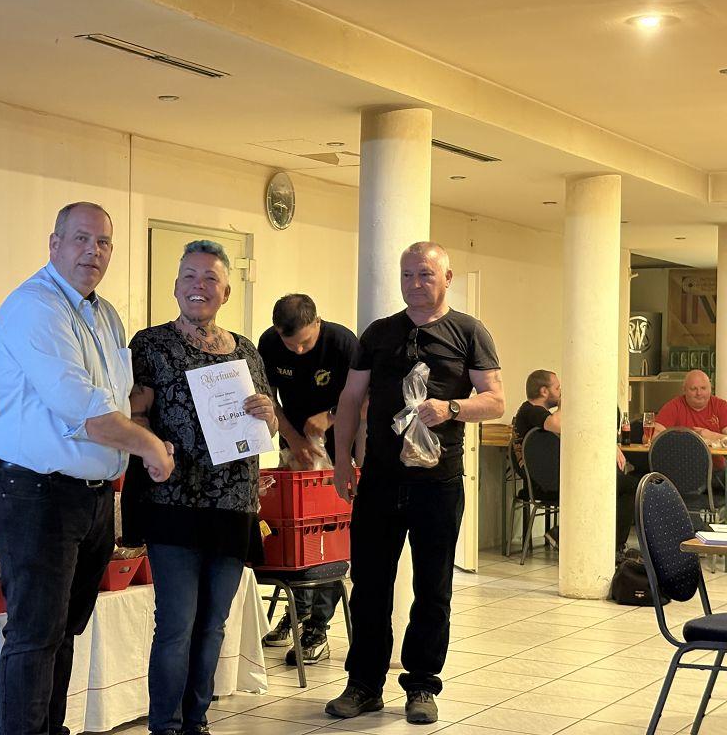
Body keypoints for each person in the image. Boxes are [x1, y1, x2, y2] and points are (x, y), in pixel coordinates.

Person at [0, 202, 175, 735]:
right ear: (54, 244)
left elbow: (115, 400)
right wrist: (151, 448)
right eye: (81, 239)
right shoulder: (34, 307)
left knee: (64, 629)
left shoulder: (105, 314)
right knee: (35, 634)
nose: (94, 251)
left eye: (104, 242)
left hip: (90, 495)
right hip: (33, 491)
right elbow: (85, 410)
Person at [324, 241, 504, 725]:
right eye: (407, 275)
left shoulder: (469, 332)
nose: (415, 284)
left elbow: (495, 400)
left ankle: (422, 684)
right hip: (380, 481)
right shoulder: (379, 333)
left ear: (447, 278)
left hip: (437, 483)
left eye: (425, 274)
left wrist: (452, 408)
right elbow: (350, 398)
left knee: (433, 588)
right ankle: (363, 685)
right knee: (369, 586)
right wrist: (341, 461)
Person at [124, 240, 277, 735]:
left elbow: (267, 425)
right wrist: (149, 448)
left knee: (213, 624)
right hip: (173, 503)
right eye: (190, 276)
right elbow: (135, 415)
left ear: (226, 292)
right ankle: (165, 726)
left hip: (233, 505)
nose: (199, 286)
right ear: (175, 287)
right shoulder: (150, 345)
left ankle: (197, 721)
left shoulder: (247, 351)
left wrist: (269, 416)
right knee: (176, 624)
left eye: (210, 278)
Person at [257, 294, 358, 665]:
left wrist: (329, 416)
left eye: (305, 342)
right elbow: (268, 399)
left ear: (317, 322)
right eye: (291, 344)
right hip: (296, 447)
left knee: (327, 534)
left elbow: (364, 396)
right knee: (296, 533)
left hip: (341, 447)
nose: (298, 350)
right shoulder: (270, 343)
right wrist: (295, 440)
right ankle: (297, 611)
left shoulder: (342, 342)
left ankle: (319, 624)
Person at [511, 370, 638, 555]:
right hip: (545, 482)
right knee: (627, 486)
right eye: (558, 388)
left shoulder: (532, 412)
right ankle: (612, 547)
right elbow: (559, 425)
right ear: (544, 391)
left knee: (613, 483)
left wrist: (609, 444)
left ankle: (565, 533)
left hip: (548, 478)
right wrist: (564, 404)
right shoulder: (532, 411)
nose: (561, 391)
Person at [654, 369, 727, 474]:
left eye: (703, 388)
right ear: (684, 390)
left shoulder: (721, 406)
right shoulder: (674, 406)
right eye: (693, 389)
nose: (699, 393)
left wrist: (712, 436)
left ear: (710, 389)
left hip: (715, 470)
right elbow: (651, 437)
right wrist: (690, 440)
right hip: (681, 469)